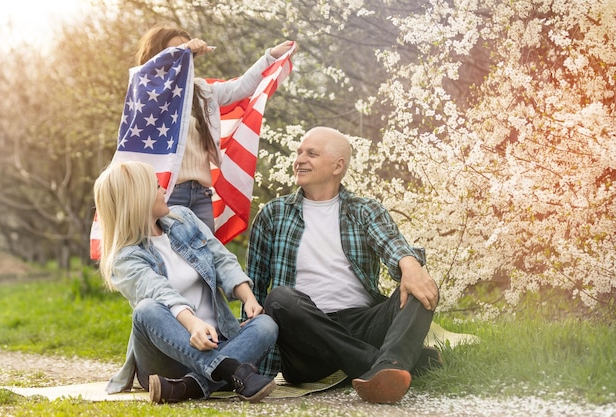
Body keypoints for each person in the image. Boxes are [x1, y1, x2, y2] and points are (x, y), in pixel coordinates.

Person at [245, 126, 440, 404]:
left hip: (363, 323)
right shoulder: (273, 214)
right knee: (280, 297)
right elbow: (253, 287)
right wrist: (248, 363)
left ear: (338, 166)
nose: (300, 159)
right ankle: (385, 364)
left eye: (311, 153)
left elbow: (392, 245)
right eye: (299, 152)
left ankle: (387, 365)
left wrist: (410, 265)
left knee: (422, 284)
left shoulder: (364, 210)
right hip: (305, 340)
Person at [93, 160, 278, 404]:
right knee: (146, 309)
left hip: (218, 344)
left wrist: (248, 297)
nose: (164, 191)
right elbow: (161, 291)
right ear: (140, 198)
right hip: (166, 358)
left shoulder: (184, 219)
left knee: (265, 325)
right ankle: (231, 371)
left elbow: (221, 259)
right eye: (157, 186)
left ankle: (188, 387)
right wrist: (192, 325)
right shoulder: (125, 257)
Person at [134, 25, 295, 231]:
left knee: (206, 259)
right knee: (173, 257)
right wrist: (185, 49)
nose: (184, 58)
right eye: (175, 52)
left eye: (187, 55)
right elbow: (147, 77)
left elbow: (243, 86)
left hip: (201, 193)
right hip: (167, 194)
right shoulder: (146, 91)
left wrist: (270, 56)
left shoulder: (200, 90)